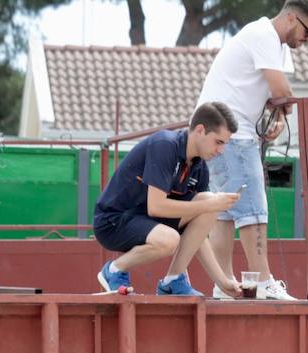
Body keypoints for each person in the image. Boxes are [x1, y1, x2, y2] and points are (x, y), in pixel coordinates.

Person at [197, 0, 308, 301]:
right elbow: (282, 92)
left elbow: (275, 96)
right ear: (292, 19)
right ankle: (265, 283)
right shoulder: (264, 36)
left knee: (224, 210)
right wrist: (283, 110)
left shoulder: (273, 42)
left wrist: (279, 116)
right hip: (233, 132)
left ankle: (224, 284)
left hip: (221, 129)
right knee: (253, 207)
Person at [94, 102, 245, 298]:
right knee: (174, 235)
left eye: (224, 144)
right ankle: (114, 270)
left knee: (207, 200)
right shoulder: (164, 145)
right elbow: (156, 207)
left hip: (146, 221)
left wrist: (223, 281)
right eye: (218, 142)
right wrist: (210, 204)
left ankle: (173, 280)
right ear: (200, 130)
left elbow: (198, 235)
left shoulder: (199, 167)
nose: (221, 150)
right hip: (113, 222)